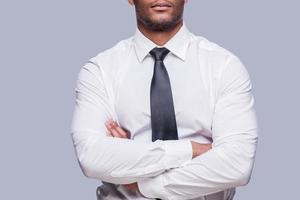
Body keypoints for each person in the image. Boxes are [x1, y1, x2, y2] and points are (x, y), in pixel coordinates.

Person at [70, 0, 258, 199]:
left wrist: (140, 180)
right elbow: (91, 157)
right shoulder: (100, 71)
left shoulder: (224, 67)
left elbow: (237, 165)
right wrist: (190, 150)